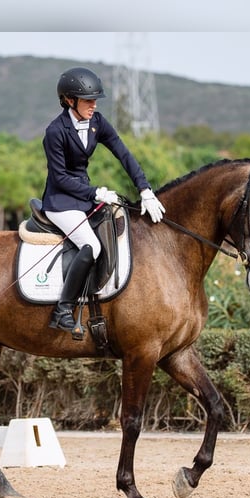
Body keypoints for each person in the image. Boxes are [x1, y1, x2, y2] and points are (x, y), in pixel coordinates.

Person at [42, 66, 165, 334]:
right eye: (88, 100)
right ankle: (63, 309)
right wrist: (95, 192)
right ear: (69, 100)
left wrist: (145, 189)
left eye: (95, 100)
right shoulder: (55, 131)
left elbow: (124, 154)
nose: (93, 105)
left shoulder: (97, 122)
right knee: (91, 245)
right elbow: (60, 177)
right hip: (61, 201)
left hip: (84, 197)